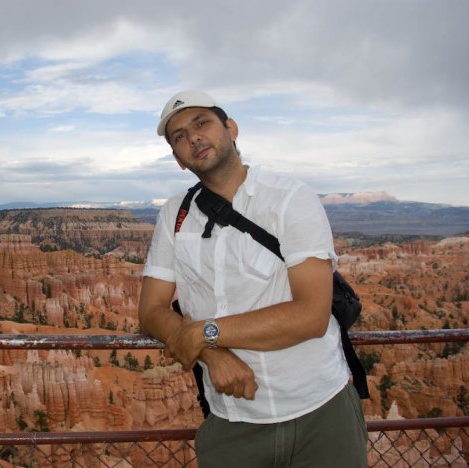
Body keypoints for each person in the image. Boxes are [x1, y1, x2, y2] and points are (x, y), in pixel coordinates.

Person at [138, 90, 367, 467]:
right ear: (178, 160)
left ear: (231, 129)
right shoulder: (174, 217)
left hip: (321, 414)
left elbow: (311, 316)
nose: (192, 137)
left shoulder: (290, 198)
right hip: (233, 423)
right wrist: (211, 355)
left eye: (201, 123)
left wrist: (202, 333)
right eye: (179, 136)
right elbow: (151, 310)